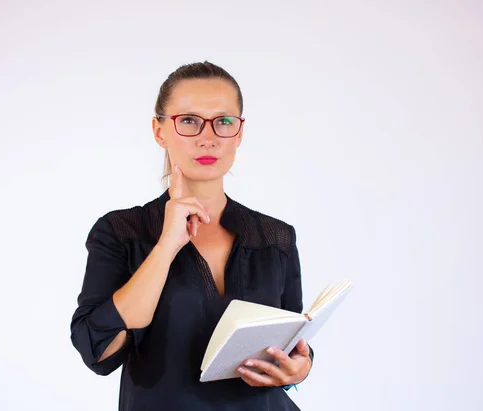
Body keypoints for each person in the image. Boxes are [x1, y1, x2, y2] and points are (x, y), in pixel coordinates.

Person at [70, 61, 314, 410]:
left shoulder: (275, 238)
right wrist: (167, 244)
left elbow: (289, 339)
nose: (208, 137)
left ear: (240, 133)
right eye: (188, 120)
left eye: (224, 121)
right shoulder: (121, 232)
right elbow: (97, 350)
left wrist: (300, 367)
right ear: (159, 131)